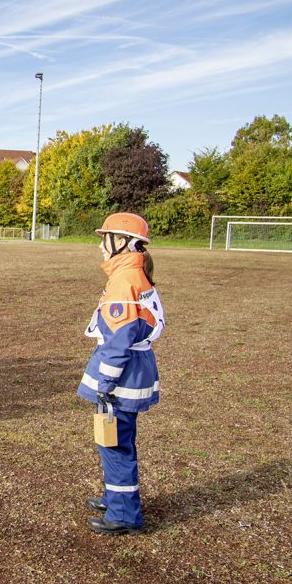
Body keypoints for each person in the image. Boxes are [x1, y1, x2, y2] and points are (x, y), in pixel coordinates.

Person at [78, 212, 165, 535]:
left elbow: (119, 339)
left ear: (124, 242)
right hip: (135, 371)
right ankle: (116, 498)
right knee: (118, 441)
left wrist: (105, 383)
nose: (101, 245)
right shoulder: (134, 273)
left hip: (123, 376)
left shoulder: (123, 279)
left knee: (115, 444)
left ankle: (124, 514)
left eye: (106, 238)